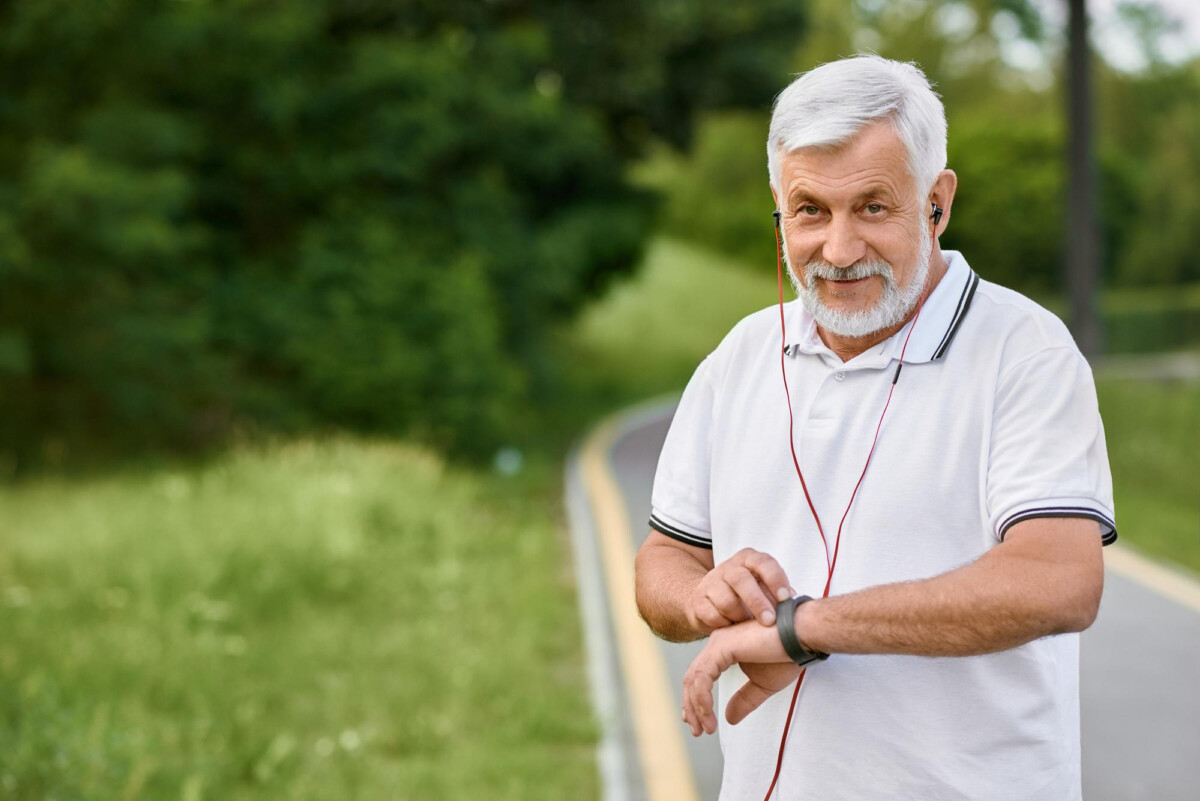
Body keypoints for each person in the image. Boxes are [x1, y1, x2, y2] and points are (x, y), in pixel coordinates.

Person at [634, 55, 1116, 801]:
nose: (839, 249)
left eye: (873, 207)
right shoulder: (738, 358)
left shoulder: (1025, 349)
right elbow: (665, 556)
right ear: (778, 209)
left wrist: (803, 627)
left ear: (938, 201)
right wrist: (703, 599)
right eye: (810, 210)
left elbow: (1059, 581)